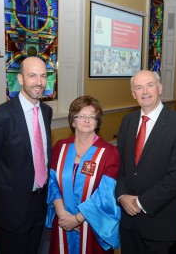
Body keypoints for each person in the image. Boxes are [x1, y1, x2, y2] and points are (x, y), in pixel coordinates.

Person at [0, 56, 52, 254]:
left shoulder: (46, 111)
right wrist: (4, 194)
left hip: (40, 201)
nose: (39, 82)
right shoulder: (0, 117)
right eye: (32, 76)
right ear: (20, 79)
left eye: (43, 76)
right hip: (12, 206)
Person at [116, 70, 176, 253]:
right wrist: (122, 196)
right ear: (133, 94)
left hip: (159, 222)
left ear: (159, 88)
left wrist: (140, 203)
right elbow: (119, 166)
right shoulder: (127, 121)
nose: (145, 91)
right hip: (128, 222)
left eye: (150, 85)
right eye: (139, 87)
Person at [46, 95, 120, 254]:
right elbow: (52, 183)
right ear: (73, 121)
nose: (87, 120)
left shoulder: (108, 152)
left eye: (92, 116)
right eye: (81, 116)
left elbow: (105, 194)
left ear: (97, 122)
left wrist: (77, 219)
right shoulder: (60, 147)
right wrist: (62, 214)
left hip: (92, 224)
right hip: (63, 221)